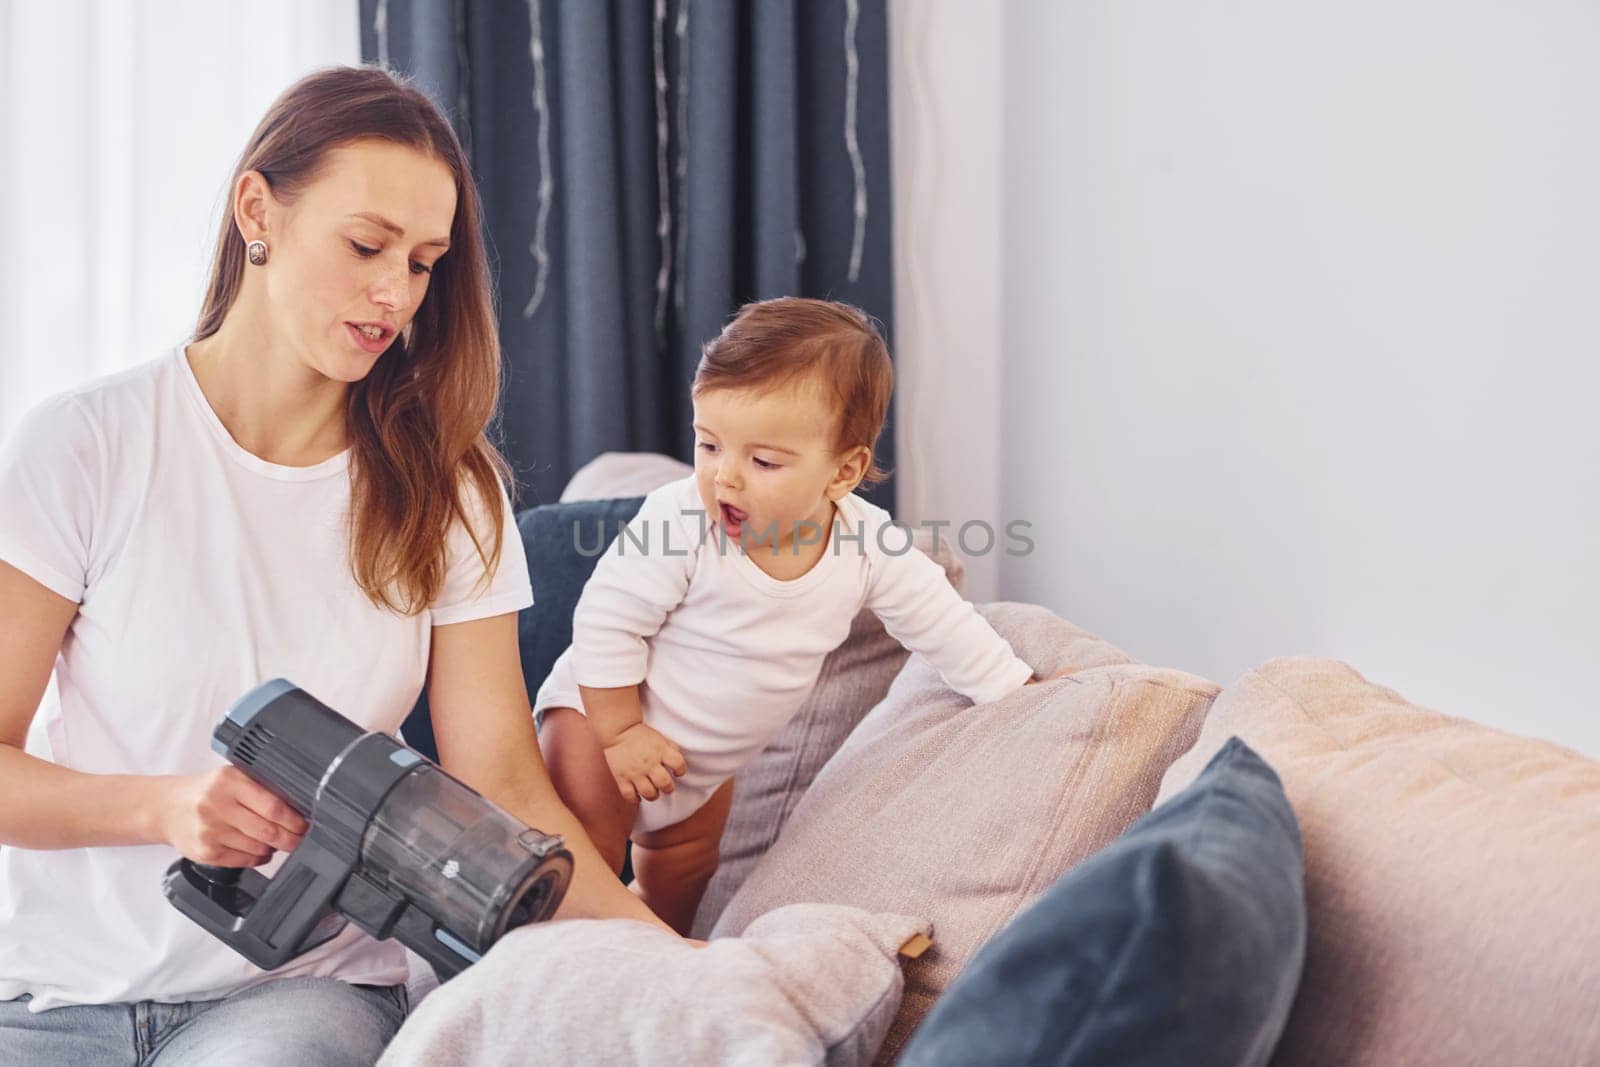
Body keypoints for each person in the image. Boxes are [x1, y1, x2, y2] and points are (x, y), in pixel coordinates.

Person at [0, 65, 670, 1065]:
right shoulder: (85, 446)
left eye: (423, 261)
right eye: (365, 246)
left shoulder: (448, 490)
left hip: (295, 996)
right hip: (52, 993)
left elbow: (506, 791)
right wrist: (167, 805)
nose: (394, 293)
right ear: (257, 209)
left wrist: (677, 966)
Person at [535, 297, 1073, 935]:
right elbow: (607, 621)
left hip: (701, 767)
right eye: (708, 445)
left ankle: (665, 954)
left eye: (763, 462)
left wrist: (1014, 694)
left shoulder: (868, 545)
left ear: (844, 472)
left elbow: (943, 623)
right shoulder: (679, 522)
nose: (724, 479)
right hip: (601, 725)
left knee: (685, 867)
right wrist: (620, 732)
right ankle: (569, 955)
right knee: (588, 856)